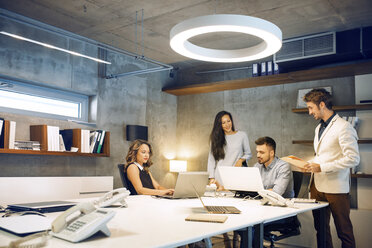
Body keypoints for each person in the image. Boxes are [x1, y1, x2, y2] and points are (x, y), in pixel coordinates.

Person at [303, 88, 359, 248]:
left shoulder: (344, 127)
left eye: (311, 108)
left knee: (344, 232)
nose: (309, 112)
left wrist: (322, 167)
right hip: (317, 186)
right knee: (321, 230)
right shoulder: (318, 128)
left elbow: (353, 158)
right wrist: (310, 165)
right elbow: (323, 154)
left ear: (322, 105)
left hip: (336, 188)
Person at [237, 136, 296, 248]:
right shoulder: (257, 166)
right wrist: (264, 191)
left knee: (250, 226)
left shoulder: (283, 167)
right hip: (262, 209)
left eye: (262, 152)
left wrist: (261, 191)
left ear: (272, 153)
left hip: (281, 213)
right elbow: (250, 190)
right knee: (241, 223)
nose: (258, 155)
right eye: (257, 152)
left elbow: (276, 193)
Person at [208, 110, 252, 190]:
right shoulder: (215, 139)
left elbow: (248, 154)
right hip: (220, 176)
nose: (227, 124)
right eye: (223, 123)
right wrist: (211, 178)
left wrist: (240, 160)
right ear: (219, 125)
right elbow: (211, 160)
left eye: (228, 121)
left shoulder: (242, 135)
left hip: (236, 175)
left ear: (231, 121)